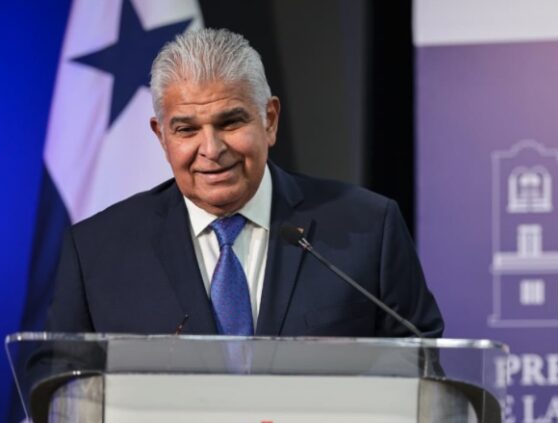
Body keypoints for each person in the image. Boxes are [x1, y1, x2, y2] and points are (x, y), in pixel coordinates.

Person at [44, 28, 443, 338]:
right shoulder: (97, 251)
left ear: (269, 120)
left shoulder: (368, 228)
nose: (211, 149)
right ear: (161, 136)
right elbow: (57, 389)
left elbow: (422, 363)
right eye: (186, 129)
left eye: (230, 122)